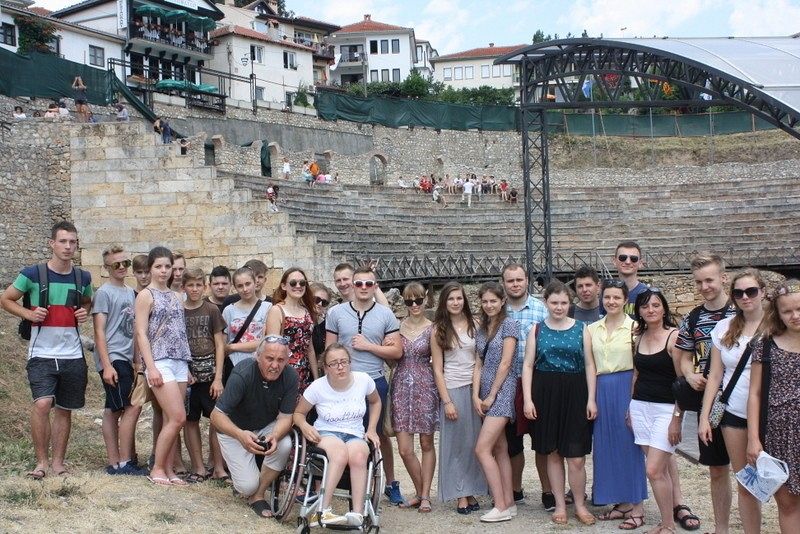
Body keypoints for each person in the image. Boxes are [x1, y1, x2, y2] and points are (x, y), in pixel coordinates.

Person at [1, 221, 93, 480]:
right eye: (63, 241)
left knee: (64, 408)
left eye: (72, 242)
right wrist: (28, 314)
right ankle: (41, 462)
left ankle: (58, 463)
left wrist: (84, 311)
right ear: (52, 243)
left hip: (73, 354)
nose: (68, 246)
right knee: (42, 404)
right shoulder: (31, 274)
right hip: (41, 353)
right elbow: (5, 299)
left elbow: (87, 301)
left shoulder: (83, 277)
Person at [325, 266, 404, 505]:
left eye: (369, 284)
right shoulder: (336, 313)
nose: (363, 288)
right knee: (344, 432)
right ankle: (352, 483)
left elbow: (397, 352)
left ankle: (389, 483)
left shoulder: (385, 314)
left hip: (373, 380)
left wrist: (368, 346)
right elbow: (329, 350)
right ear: (353, 285)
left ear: (375, 286)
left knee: (377, 435)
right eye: (359, 283)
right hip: (343, 382)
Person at [522, 280, 596, 527]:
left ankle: (580, 505)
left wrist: (591, 399)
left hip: (575, 392)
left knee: (576, 456)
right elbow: (528, 365)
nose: (559, 307)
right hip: (545, 393)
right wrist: (528, 399)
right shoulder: (536, 330)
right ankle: (560, 505)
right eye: (554, 302)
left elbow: (589, 365)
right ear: (546, 302)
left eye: (564, 302)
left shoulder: (581, 329)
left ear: (569, 304)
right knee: (553, 453)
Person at [698, 269, 766, 534]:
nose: (745, 297)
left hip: (771, 414)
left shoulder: (776, 326)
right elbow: (715, 375)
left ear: (763, 292)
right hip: (735, 412)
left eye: (751, 291)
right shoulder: (724, 328)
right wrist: (704, 417)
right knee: (747, 482)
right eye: (739, 293)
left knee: (784, 486)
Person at [676, 253, 735, 533]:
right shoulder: (693, 317)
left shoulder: (741, 311)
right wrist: (689, 375)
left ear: (723, 278)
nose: (704, 287)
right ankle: (721, 528)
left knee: (749, 468)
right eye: (699, 282)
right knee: (717, 468)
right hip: (710, 402)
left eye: (709, 280)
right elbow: (684, 356)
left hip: (740, 398)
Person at [294, 344, 381, 526]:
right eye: (334, 364)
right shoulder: (317, 387)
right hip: (327, 432)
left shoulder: (363, 380)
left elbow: (375, 401)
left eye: (344, 362)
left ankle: (358, 513)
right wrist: (304, 426)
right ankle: (323, 510)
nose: (340, 367)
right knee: (340, 454)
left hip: (355, 433)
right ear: (325, 368)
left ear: (350, 363)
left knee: (359, 456)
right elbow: (298, 414)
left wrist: (372, 429)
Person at [211, 336, 298, 518]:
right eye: (270, 358)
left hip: (265, 425)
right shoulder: (243, 373)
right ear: (258, 356)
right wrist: (239, 434)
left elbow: (286, 417)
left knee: (284, 444)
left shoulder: (290, 376)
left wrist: (275, 435)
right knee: (246, 487)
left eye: (281, 360)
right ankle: (249, 486)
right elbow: (216, 416)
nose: (275, 365)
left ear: (287, 361)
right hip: (235, 429)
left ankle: (258, 495)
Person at [586, 279, 647, 529]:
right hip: (601, 387)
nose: (611, 301)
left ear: (625, 300)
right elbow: (590, 365)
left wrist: (634, 399)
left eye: (616, 297)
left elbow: (639, 367)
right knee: (606, 446)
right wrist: (591, 398)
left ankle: (637, 507)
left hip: (626, 386)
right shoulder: (592, 329)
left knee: (630, 446)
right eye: (607, 297)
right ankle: (621, 503)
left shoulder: (635, 328)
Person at [629, 287, 688, 534]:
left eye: (655, 305)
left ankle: (668, 524)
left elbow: (682, 382)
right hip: (640, 407)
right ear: (639, 311)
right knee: (659, 471)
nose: (650, 310)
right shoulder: (638, 337)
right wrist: (629, 407)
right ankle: (666, 523)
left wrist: (677, 419)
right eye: (645, 306)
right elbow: (636, 374)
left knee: (653, 469)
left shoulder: (674, 337)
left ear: (664, 308)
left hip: (666, 410)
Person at [133, 246, 192, 486]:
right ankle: (157, 467)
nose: (164, 271)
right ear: (150, 268)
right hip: (159, 361)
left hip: (179, 361)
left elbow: (180, 332)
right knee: (178, 417)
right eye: (159, 266)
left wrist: (187, 365)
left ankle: (168, 469)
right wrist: (151, 367)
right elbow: (141, 333)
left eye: (168, 266)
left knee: (171, 418)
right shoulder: (146, 296)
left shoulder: (177, 296)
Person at [746, 280, 800, 533]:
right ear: (777, 313)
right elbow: (754, 394)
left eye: (799, 309)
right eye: (787, 311)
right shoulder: (766, 345)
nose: (794, 315)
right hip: (780, 435)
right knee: (788, 504)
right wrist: (753, 439)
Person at [430, 282, 487, 514]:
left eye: (459, 298)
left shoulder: (476, 324)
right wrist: (447, 401)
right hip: (452, 388)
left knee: (473, 443)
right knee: (456, 444)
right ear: (444, 302)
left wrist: (478, 391)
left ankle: (471, 489)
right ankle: (460, 493)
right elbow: (437, 369)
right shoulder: (438, 329)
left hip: (475, 389)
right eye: (451, 299)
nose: (456, 302)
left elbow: (480, 358)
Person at [92, 245, 146, 476]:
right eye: (117, 264)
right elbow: (99, 331)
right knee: (125, 407)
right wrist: (107, 365)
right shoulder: (104, 293)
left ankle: (116, 462)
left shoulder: (130, 293)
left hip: (126, 357)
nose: (123, 267)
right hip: (113, 357)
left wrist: (136, 361)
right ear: (107, 268)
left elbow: (134, 330)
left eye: (126, 263)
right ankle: (122, 462)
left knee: (113, 407)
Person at [500, 263, 549, 509]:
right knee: (513, 442)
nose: (515, 284)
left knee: (543, 441)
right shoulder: (498, 310)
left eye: (519, 279)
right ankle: (515, 489)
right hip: (508, 383)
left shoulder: (541, 309)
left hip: (537, 382)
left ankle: (548, 491)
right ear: (503, 283)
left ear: (527, 280)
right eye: (510, 281)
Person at [472, 282, 519, 523]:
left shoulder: (509, 324)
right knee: (500, 448)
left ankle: (500, 506)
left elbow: (506, 362)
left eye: (493, 301)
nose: (489, 305)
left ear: (502, 302)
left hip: (502, 391)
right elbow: (478, 363)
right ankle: (508, 502)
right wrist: (475, 394)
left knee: (482, 449)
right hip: (484, 391)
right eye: (485, 301)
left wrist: (491, 395)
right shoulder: (482, 328)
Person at [393, 283, 438, 513]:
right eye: (409, 301)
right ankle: (421, 492)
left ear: (425, 299)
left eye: (418, 300)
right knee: (404, 449)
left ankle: (425, 495)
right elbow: (392, 358)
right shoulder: (397, 327)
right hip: (401, 386)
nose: (414, 305)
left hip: (426, 385)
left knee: (426, 443)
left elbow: (438, 363)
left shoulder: (433, 328)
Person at [181, 268, 227, 482]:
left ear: (205, 286)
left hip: (210, 376)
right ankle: (198, 467)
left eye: (198, 285)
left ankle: (218, 466)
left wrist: (218, 378)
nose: (194, 289)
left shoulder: (211, 310)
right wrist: (184, 370)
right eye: (190, 285)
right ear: (184, 287)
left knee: (216, 420)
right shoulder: (179, 311)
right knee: (190, 420)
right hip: (189, 376)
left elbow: (220, 344)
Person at [265, 268, 318, 394]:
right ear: (284, 286)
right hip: (283, 374)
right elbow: (273, 348)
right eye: (293, 283)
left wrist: (316, 379)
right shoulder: (277, 310)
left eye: (302, 283)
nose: (298, 286)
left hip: (304, 374)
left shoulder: (306, 311)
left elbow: (309, 348)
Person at [223, 267, 272, 374]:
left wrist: (233, 346)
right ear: (235, 287)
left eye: (248, 284)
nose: (245, 289)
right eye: (240, 286)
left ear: (255, 282)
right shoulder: (228, 310)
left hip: (260, 364)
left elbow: (266, 342)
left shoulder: (268, 308)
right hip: (234, 365)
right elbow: (223, 346)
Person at [613, 241, 649, 316]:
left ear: (640, 263)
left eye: (634, 258)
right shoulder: (606, 294)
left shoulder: (647, 294)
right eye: (622, 258)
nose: (628, 262)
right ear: (614, 261)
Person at [310, 283, 332, 360]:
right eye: (317, 299)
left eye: (324, 302)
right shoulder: (299, 320)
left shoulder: (324, 324)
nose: (320, 304)